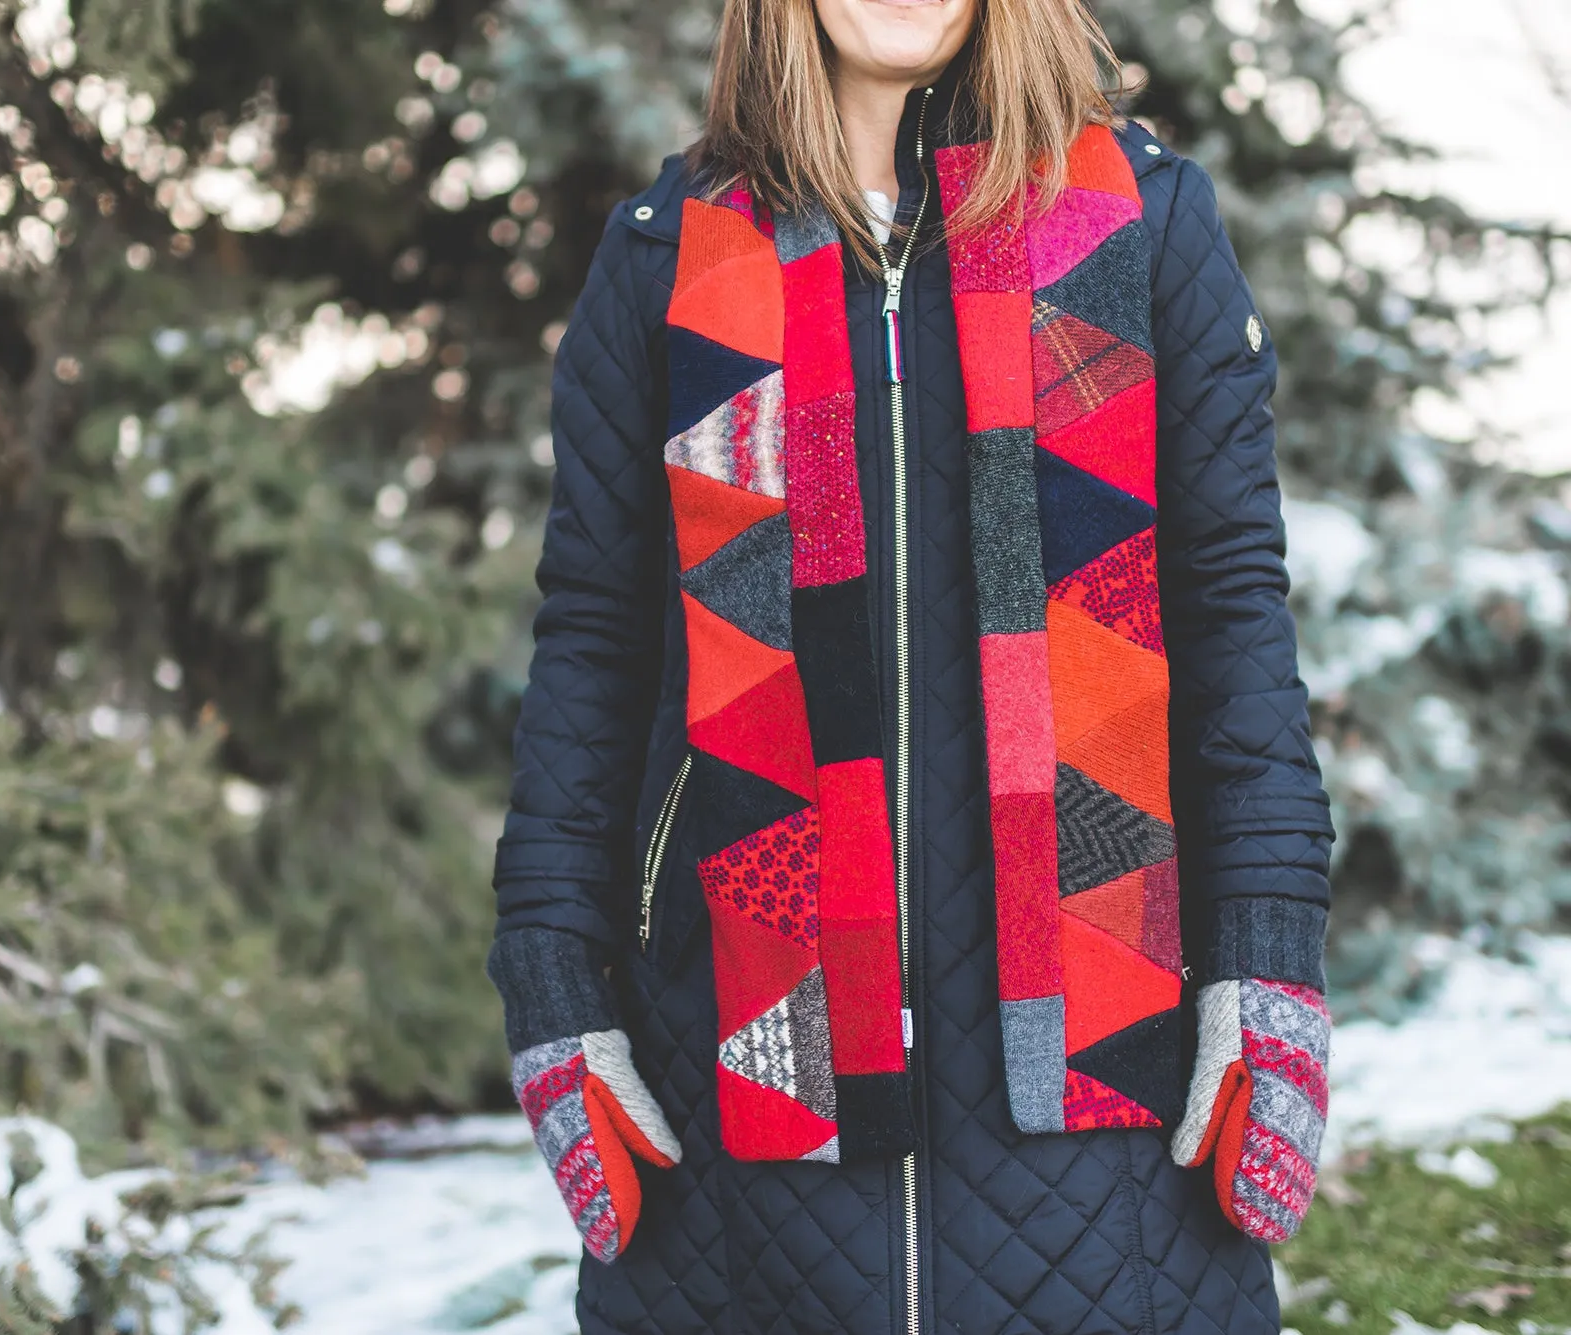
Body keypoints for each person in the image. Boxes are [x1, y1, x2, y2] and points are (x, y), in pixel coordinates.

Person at [486, 0, 1335, 1329]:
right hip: (744, 1094)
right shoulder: (664, 261)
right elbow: (593, 638)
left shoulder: (1144, 227)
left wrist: (1269, 951)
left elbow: (1232, 615)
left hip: (1114, 1079)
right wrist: (549, 976)